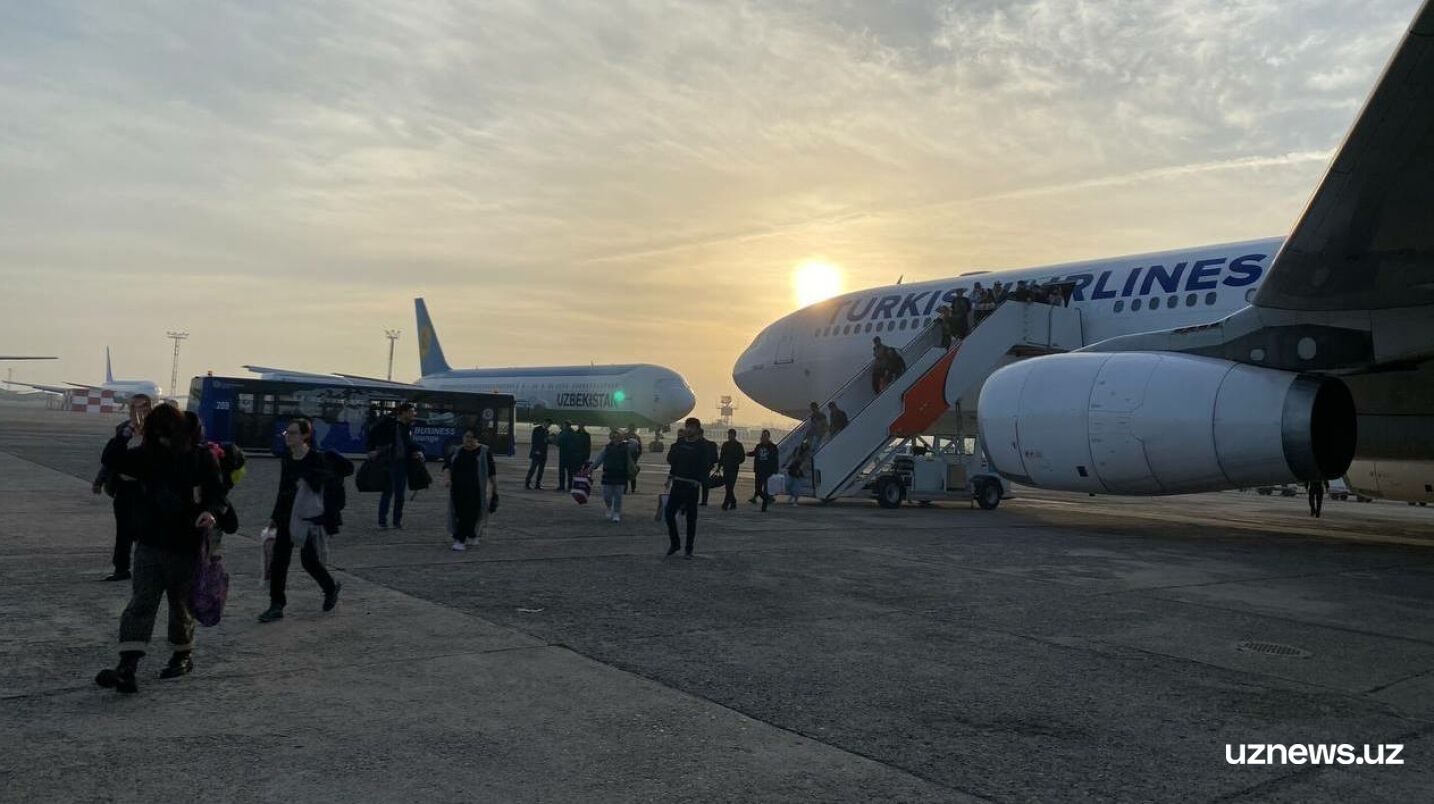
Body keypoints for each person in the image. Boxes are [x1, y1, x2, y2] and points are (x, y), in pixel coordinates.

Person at [94, 404, 226, 694]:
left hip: (185, 545)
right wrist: (124, 434)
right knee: (142, 602)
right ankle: (127, 666)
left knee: (181, 605)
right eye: (155, 434)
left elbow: (218, 495)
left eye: (165, 434)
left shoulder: (200, 457)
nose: (161, 440)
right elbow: (113, 459)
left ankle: (182, 655)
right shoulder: (148, 456)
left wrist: (211, 513)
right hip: (149, 543)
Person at [258, 418, 340, 623]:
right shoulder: (287, 457)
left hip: (307, 517)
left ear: (305, 435)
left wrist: (307, 479)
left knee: (309, 561)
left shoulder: (316, 458)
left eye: (293, 433)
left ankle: (330, 588)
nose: (288, 436)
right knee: (279, 561)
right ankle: (276, 605)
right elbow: (283, 487)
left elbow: (326, 482)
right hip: (287, 514)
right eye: (287, 432)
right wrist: (275, 516)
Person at [93, 393, 152, 582]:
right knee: (123, 530)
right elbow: (110, 459)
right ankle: (121, 568)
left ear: (148, 408)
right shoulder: (123, 429)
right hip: (125, 488)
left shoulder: (157, 430)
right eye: (132, 407)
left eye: (140, 407)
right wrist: (99, 480)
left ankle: (148, 568)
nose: (135, 411)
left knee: (145, 530)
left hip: (147, 488)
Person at [367, 402, 423, 529]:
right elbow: (373, 433)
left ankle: (397, 521)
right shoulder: (389, 423)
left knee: (400, 494)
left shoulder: (407, 426)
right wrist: (371, 450)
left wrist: (417, 451)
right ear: (403, 413)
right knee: (388, 491)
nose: (413, 414)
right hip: (389, 461)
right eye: (411, 411)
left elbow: (407, 443)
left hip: (402, 462)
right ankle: (382, 521)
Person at [442, 428, 497, 550]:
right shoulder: (457, 451)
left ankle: (460, 540)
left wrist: (495, 489)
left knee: (471, 514)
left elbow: (492, 472)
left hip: (476, 490)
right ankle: (470, 534)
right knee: (460, 513)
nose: (469, 440)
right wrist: (447, 479)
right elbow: (447, 466)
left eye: (472, 437)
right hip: (458, 489)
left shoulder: (484, 452)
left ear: (477, 439)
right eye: (467, 436)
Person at [664, 417, 708, 558]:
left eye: (692, 427)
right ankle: (675, 543)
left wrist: (699, 480)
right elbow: (672, 461)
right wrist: (670, 477)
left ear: (697, 430)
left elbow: (705, 466)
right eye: (687, 427)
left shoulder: (702, 446)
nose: (689, 429)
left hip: (691, 486)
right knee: (669, 513)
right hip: (678, 483)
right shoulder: (680, 444)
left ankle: (689, 549)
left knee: (691, 519)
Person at [593, 429, 632, 521]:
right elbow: (599, 459)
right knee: (607, 495)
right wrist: (591, 468)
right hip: (608, 474)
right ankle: (609, 507)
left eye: (618, 436)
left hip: (620, 474)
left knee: (618, 495)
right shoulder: (607, 448)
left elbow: (635, 444)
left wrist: (626, 438)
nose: (616, 438)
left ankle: (616, 513)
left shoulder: (626, 447)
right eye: (614, 436)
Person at [747, 430, 779, 511]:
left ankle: (764, 507)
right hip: (759, 470)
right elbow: (755, 453)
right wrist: (748, 454)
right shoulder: (759, 446)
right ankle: (767, 499)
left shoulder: (773, 447)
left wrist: (775, 470)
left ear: (768, 437)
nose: (764, 437)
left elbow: (775, 459)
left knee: (765, 489)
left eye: (766, 435)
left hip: (768, 471)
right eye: (763, 435)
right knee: (758, 489)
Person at [718, 429, 745, 510]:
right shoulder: (725, 444)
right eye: (729, 434)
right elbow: (722, 456)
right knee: (728, 487)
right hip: (726, 468)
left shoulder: (739, 445)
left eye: (731, 434)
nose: (729, 436)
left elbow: (742, 458)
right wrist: (719, 466)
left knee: (730, 486)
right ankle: (733, 502)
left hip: (734, 469)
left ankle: (725, 504)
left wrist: (735, 462)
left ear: (734, 435)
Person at [525, 419, 552, 489]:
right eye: (548, 424)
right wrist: (536, 450)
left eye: (549, 425)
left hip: (543, 453)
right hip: (536, 452)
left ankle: (537, 484)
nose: (548, 426)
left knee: (541, 470)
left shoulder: (547, 431)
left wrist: (550, 440)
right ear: (544, 423)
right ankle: (527, 482)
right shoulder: (537, 429)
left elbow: (545, 441)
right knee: (533, 468)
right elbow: (534, 440)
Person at [785, 440, 812, 505]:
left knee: (797, 487)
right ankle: (792, 495)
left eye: (805, 444)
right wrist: (786, 462)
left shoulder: (807, 453)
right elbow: (791, 456)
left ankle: (795, 501)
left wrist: (800, 469)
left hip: (800, 470)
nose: (804, 445)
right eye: (803, 443)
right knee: (787, 485)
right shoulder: (797, 449)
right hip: (793, 468)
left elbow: (805, 462)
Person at [698, 426, 719, 506]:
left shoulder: (698, 444)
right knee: (705, 485)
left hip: (701, 467)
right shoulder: (710, 444)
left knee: (696, 485)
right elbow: (715, 458)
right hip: (706, 467)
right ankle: (704, 501)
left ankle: (701, 501)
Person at [555, 421, 576, 491]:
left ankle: (562, 486)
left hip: (563, 454)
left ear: (566, 426)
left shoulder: (564, 433)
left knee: (562, 471)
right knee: (570, 472)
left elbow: (558, 442)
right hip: (571, 455)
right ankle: (570, 486)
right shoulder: (573, 433)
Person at [624, 428, 642, 492]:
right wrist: (637, 455)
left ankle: (625, 489)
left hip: (627, 456)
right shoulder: (637, 437)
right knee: (633, 472)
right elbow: (640, 448)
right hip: (634, 456)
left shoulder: (625, 436)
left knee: (625, 472)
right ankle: (633, 488)